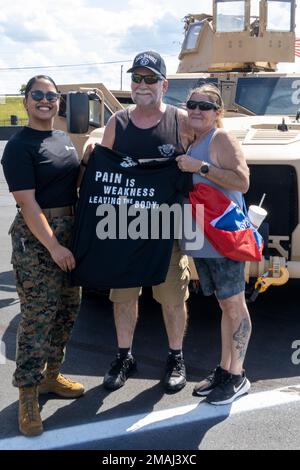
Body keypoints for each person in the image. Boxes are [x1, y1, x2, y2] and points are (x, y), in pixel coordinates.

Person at [81, 51, 194, 393]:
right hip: (123, 226)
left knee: (174, 297)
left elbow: (203, 163)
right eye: (137, 79)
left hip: (167, 226)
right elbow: (102, 169)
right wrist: (90, 152)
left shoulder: (181, 121)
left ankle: (176, 357)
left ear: (164, 84)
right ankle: (124, 356)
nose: (142, 85)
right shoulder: (118, 122)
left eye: (150, 79)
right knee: (123, 297)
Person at [1, 75, 84, 437]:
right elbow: (28, 204)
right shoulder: (18, 147)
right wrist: (54, 246)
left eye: (52, 96)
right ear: (26, 102)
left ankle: (51, 376)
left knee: (67, 309)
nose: (46, 101)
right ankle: (28, 394)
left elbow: (70, 183)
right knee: (38, 315)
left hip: (69, 231)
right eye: (38, 95)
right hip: (39, 240)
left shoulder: (62, 138)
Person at [176, 84, 252, 405]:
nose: (196, 110)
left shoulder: (221, 139)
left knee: (235, 305)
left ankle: (238, 376)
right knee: (225, 306)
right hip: (207, 241)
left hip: (226, 239)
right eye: (192, 104)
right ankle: (225, 369)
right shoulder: (196, 142)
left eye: (205, 106)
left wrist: (202, 168)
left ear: (217, 113)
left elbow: (242, 181)